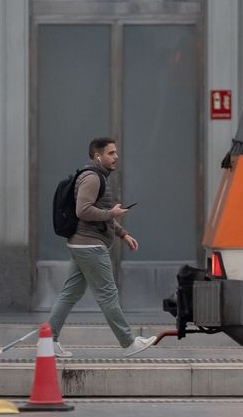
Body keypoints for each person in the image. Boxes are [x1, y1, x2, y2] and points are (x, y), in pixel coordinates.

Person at [47, 137, 157, 358]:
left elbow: (99, 215)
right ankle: (128, 343)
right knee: (108, 294)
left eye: (116, 152)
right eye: (111, 153)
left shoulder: (96, 177)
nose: (116, 157)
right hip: (90, 246)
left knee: (70, 294)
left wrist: (123, 234)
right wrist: (112, 213)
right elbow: (83, 211)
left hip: (81, 243)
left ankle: (48, 341)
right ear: (98, 156)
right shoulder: (92, 179)